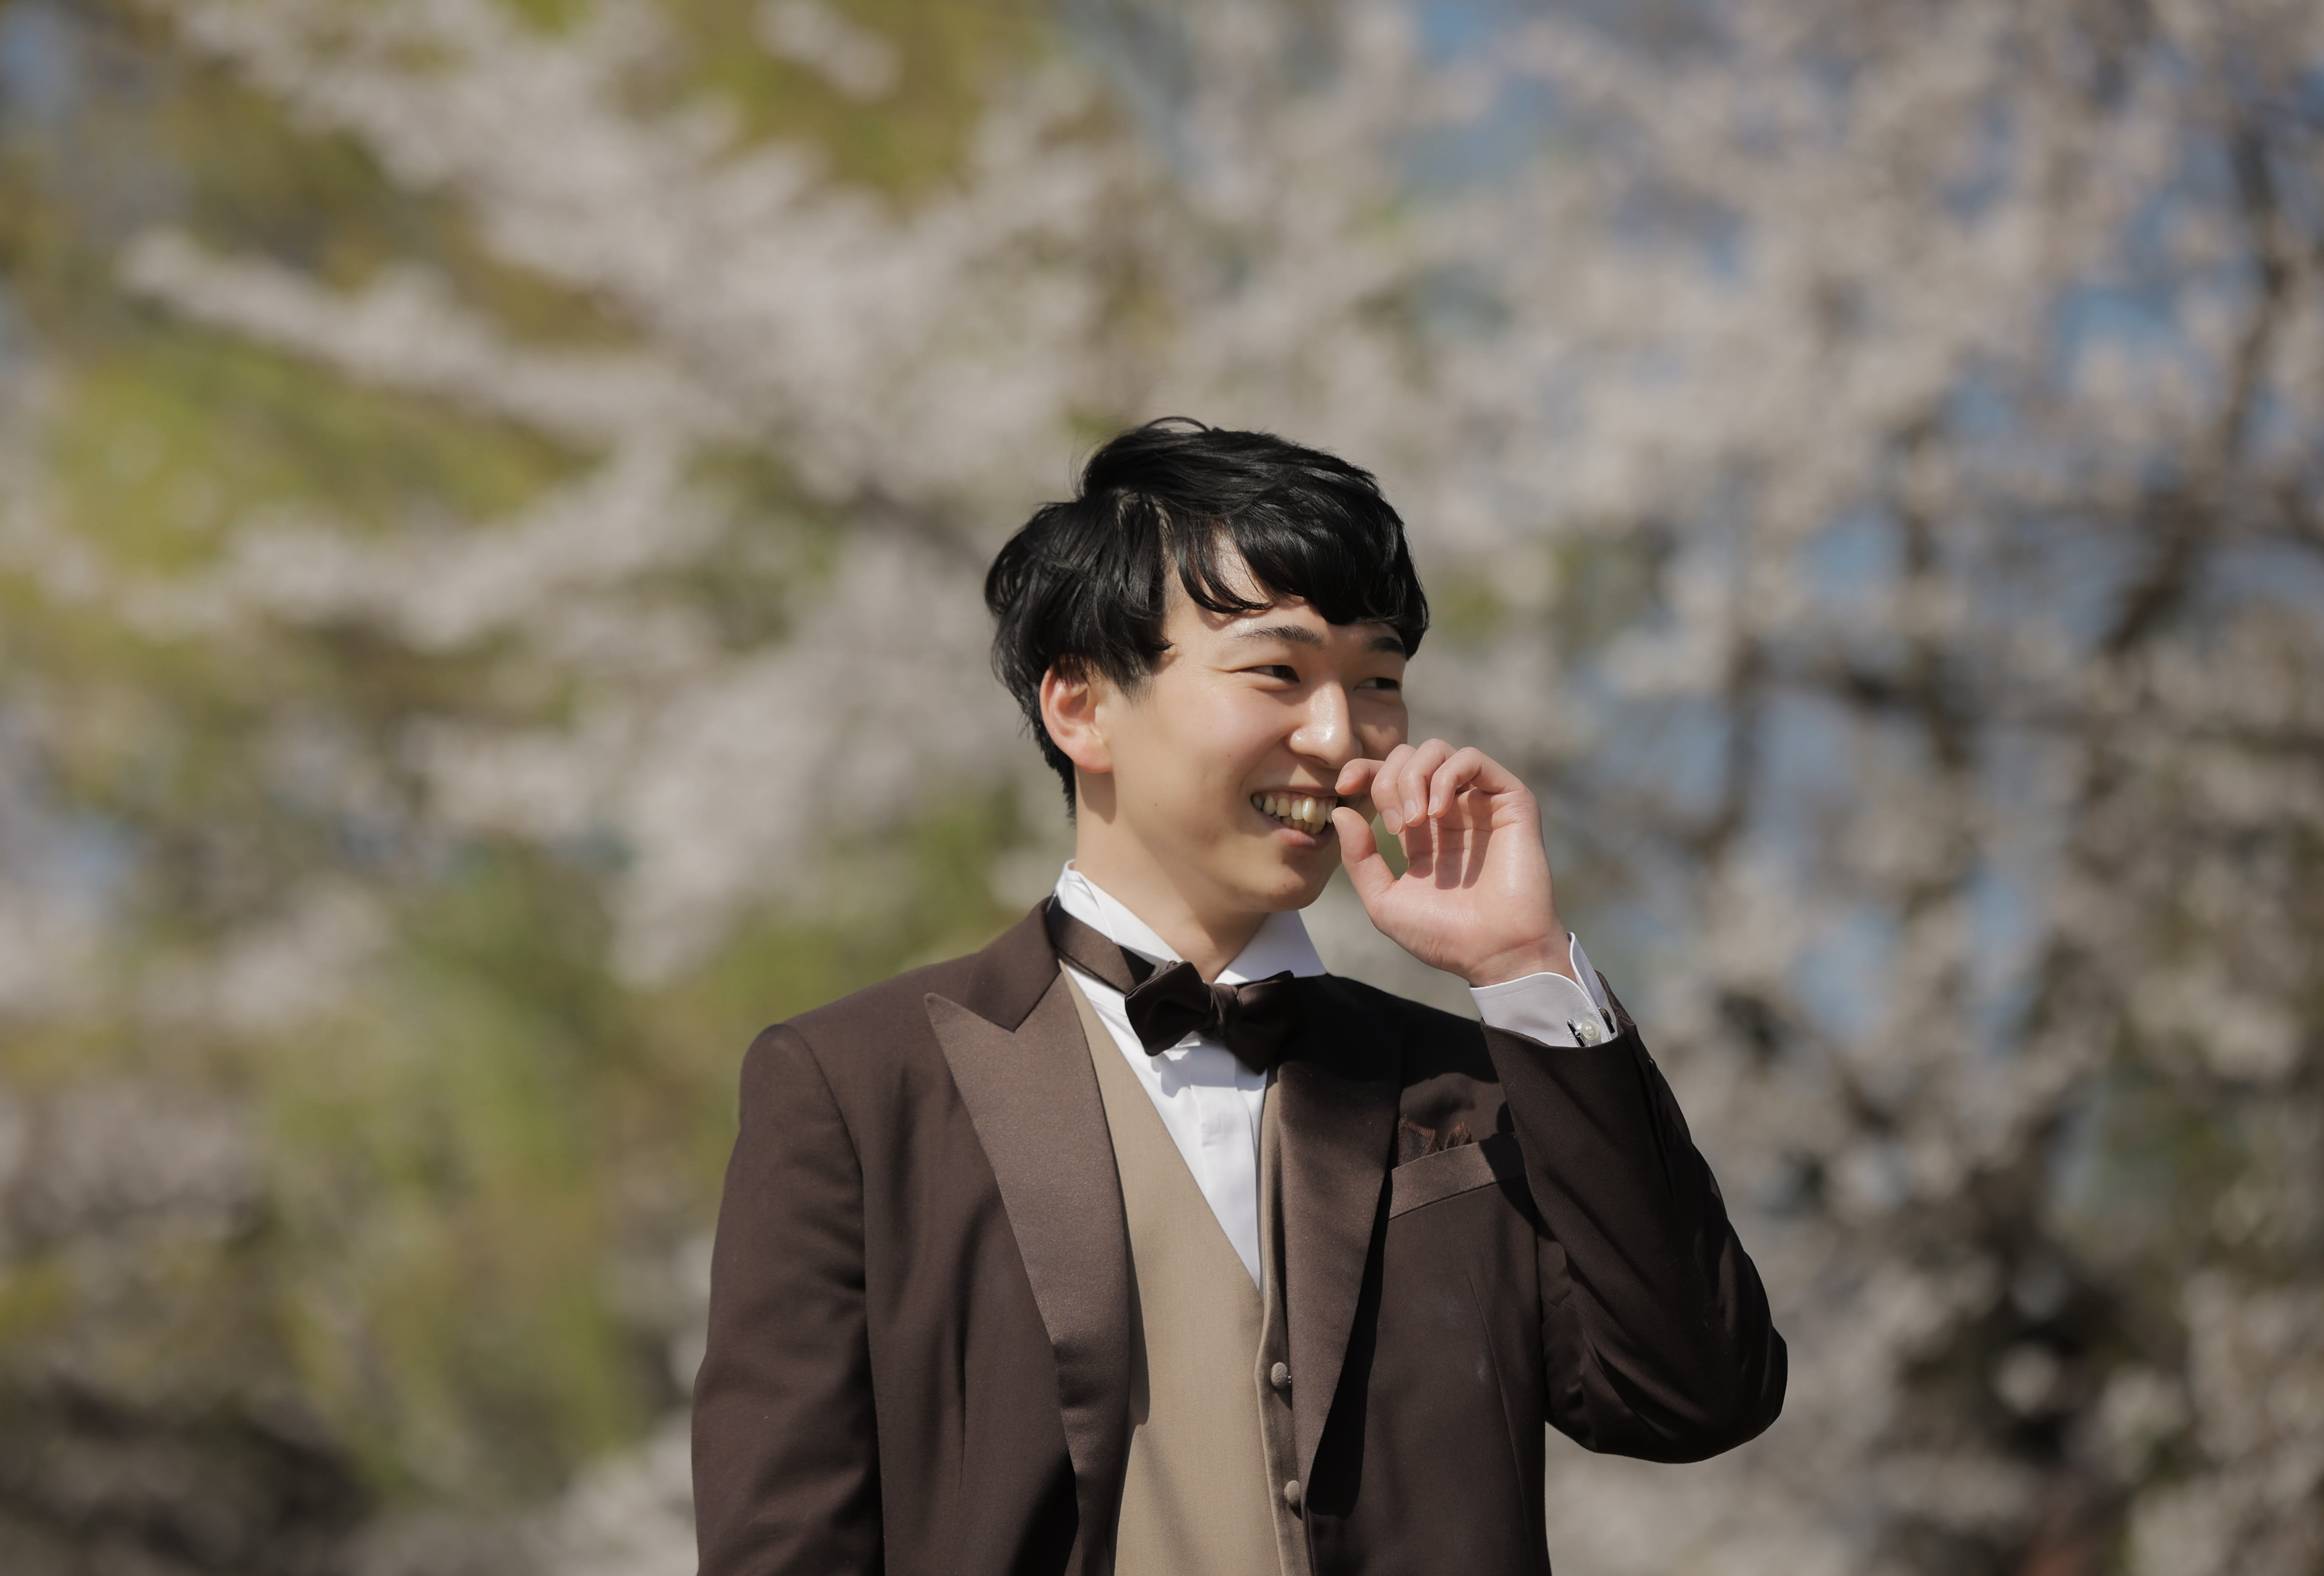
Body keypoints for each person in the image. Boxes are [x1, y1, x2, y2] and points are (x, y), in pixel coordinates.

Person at [691, 419, 1785, 1576]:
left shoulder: (1466, 1083)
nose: (1339, 737)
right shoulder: (857, 1089)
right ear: (1080, 707)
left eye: (1378, 681)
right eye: (1278, 672)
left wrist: (1525, 966)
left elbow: (1697, 1394)